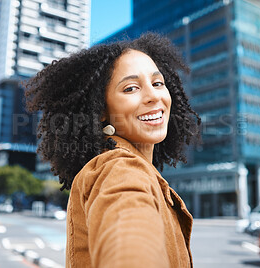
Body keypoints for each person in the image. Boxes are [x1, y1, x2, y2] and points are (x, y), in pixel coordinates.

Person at [25, 33, 201, 268]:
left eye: (158, 83)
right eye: (130, 88)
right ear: (100, 111)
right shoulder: (119, 169)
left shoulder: (136, 170)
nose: (153, 96)